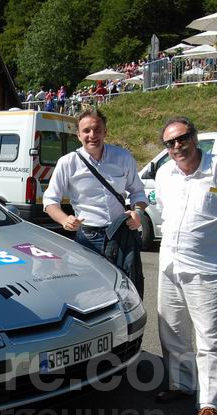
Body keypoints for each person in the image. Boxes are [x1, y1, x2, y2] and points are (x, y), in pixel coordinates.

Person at [153, 116, 217, 415]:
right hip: (169, 265)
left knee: (210, 338)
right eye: (170, 142)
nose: (177, 146)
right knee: (172, 331)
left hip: (207, 269)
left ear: (194, 138)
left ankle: (210, 402)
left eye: (182, 138)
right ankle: (182, 384)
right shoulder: (164, 173)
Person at [42, 108, 148, 294]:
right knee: (89, 293)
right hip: (88, 238)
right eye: (86, 131)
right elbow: (50, 200)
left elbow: (138, 192)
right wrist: (64, 220)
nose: (93, 135)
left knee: (127, 292)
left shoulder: (122, 157)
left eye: (98, 130)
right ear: (78, 134)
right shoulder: (68, 162)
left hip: (120, 235)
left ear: (105, 131)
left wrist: (138, 213)